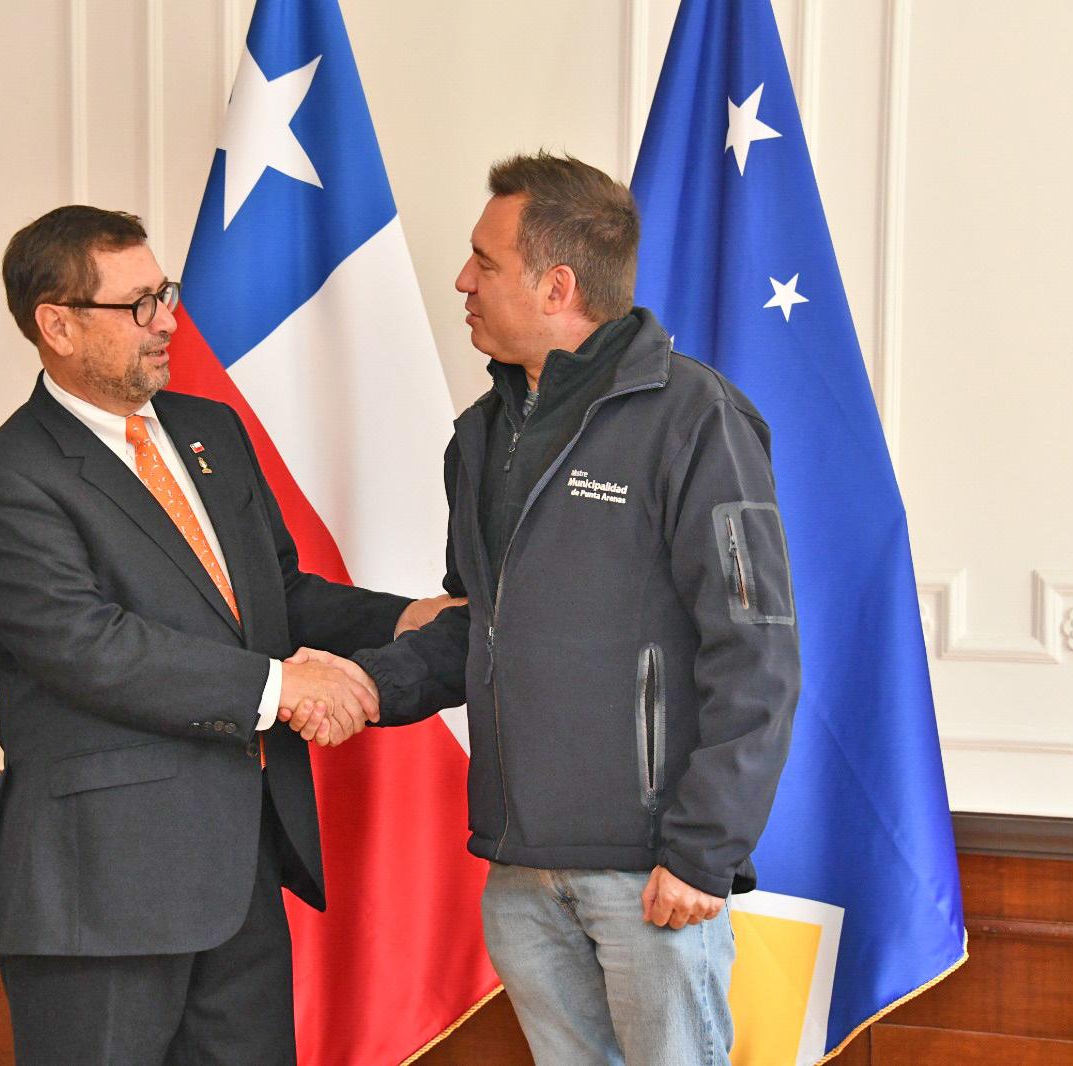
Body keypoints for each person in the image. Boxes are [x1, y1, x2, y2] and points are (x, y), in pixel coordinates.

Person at [295, 152, 802, 1065]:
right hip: (518, 870)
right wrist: (363, 684)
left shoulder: (695, 417)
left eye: (483, 262)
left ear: (556, 286)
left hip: (653, 872)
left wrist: (702, 849)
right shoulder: (479, 435)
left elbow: (754, 650)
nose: (462, 280)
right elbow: (476, 625)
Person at [0, 204, 455, 1065]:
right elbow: (92, 649)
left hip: (241, 869)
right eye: (137, 304)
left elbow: (272, 597)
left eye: (166, 294)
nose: (166, 322)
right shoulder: (9, 480)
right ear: (57, 325)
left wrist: (402, 618)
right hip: (101, 892)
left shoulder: (207, 430)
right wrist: (281, 687)